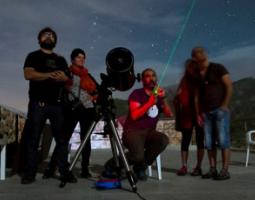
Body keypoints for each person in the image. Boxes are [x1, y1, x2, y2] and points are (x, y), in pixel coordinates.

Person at [21, 27, 76, 184]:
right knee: (33, 139)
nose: (49, 36)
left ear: (55, 41)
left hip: (57, 105)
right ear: (39, 39)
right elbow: (28, 74)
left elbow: (69, 79)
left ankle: (64, 172)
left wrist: (64, 78)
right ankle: (29, 173)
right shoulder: (33, 56)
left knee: (62, 140)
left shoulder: (61, 59)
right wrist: (49, 75)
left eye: (52, 35)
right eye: (46, 35)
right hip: (38, 104)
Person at [43, 48, 98, 179]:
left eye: (83, 57)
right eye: (79, 57)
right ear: (73, 59)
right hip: (71, 108)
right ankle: (52, 168)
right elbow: (59, 85)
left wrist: (92, 97)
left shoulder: (88, 75)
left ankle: (85, 169)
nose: (82, 59)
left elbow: (96, 91)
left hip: (87, 109)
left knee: (86, 140)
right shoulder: (67, 72)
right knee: (63, 139)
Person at [122, 68, 173, 181]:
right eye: (147, 76)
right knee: (137, 156)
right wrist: (149, 103)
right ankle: (112, 165)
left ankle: (140, 167)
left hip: (149, 132)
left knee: (163, 140)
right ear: (143, 80)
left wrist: (163, 98)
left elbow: (169, 114)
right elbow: (134, 115)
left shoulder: (158, 96)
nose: (151, 78)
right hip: (133, 132)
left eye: (153, 75)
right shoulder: (137, 94)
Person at [191, 47, 232, 180]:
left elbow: (229, 86)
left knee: (223, 140)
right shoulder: (197, 75)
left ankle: (225, 170)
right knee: (209, 142)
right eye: (197, 54)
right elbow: (196, 96)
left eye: (202, 52)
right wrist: (198, 113)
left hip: (220, 111)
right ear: (194, 58)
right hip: (205, 113)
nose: (200, 55)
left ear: (205, 55)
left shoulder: (218, 68)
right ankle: (213, 169)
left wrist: (224, 105)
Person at [174, 59, 204, 176]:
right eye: (187, 67)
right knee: (185, 140)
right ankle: (184, 166)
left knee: (200, 139)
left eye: (191, 66)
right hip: (187, 114)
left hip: (200, 113)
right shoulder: (184, 80)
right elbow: (179, 94)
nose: (189, 69)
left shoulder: (201, 78)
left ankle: (199, 166)